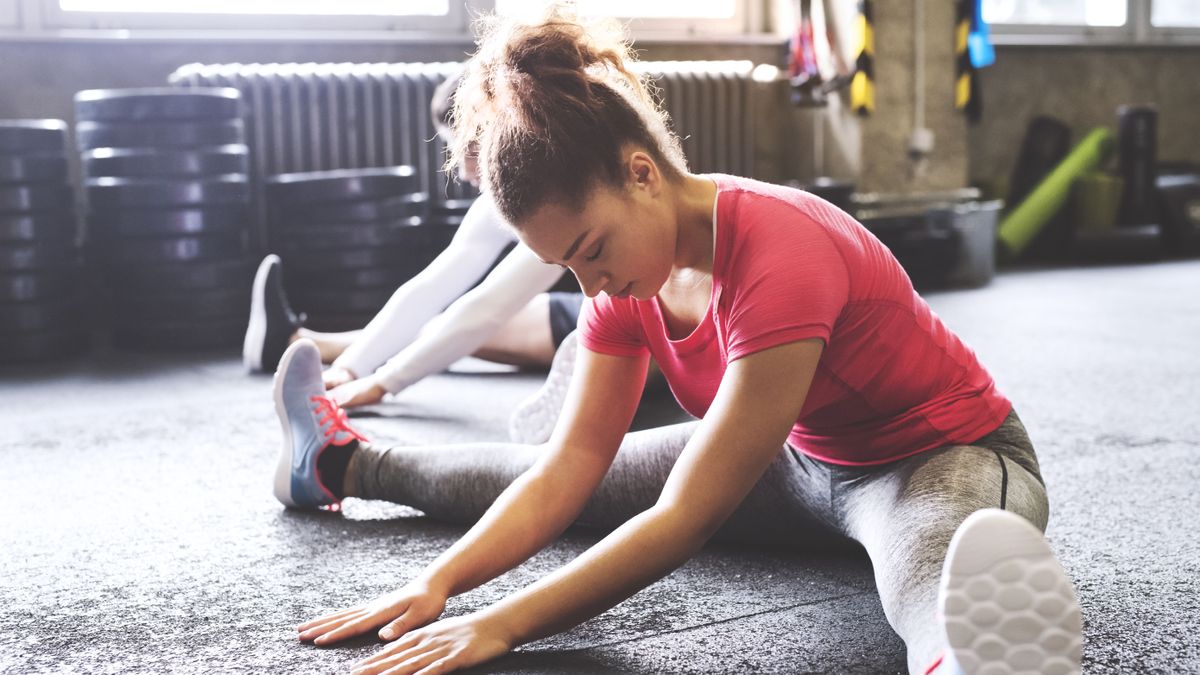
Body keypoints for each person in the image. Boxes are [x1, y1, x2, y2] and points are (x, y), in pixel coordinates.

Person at [268, 7, 1083, 675]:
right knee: (532, 468)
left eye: (590, 251)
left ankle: (974, 661)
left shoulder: (783, 247)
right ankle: (333, 460)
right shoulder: (627, 283)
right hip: (797, 457)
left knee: (931, 581)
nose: (589, 288)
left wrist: (502, 624)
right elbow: (564, 473)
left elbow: (686, 513)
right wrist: (440, 582)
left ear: (642, 173)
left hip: (932, 456)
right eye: (565, 266)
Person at [242, 71, 586, 444]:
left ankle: (601, 376)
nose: (463, 170)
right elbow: (437, 280)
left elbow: (491, 306)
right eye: (452, 150)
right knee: (445, 324)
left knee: (476, 323)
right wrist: (352, 368)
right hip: (579, 305)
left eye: (469, 148)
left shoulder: (559, 190)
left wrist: (384, 383)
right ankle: (304, 342)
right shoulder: (503, 193)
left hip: (643, 315)